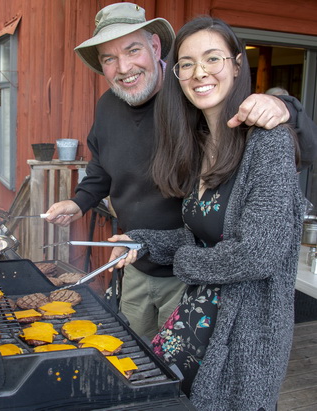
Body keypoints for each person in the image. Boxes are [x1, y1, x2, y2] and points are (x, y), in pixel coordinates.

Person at [45, 2, 317, 341]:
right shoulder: (108, 105)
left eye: (132, 50)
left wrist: (284, 105)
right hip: (138, 257)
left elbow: (291, 144)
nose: (124, 67)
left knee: (181, 363)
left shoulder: (195, 96)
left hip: (196, 273)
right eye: (109, 58)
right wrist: (79, 201)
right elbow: (101, 164)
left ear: (155, 46)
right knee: (133, 351)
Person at [108, 15, 303, 410]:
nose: (200, 73)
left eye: (212, 59)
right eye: (187, 63)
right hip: (195, 315)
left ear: (236, 65)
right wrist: (142, 242)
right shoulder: (200, 146)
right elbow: (197, 236)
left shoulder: (268, 142)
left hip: (242, 334)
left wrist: (182, 261)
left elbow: (258, 254)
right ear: (177, 75)